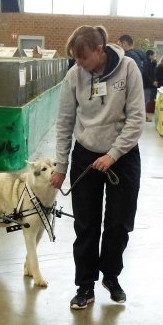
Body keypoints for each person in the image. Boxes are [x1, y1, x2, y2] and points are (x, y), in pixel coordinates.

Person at [51, 25, 144, 310]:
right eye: (75, 59)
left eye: (84, 58)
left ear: (100, 50)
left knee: (119, 223)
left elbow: (137, 118)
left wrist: (113, 154)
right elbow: (65, 121)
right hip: (85, 156)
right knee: (86, 224)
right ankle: (85, 285)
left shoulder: (128, 69)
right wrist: (60, 165)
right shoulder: (74, 75)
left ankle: (111, 276)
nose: (79, 64)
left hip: (123, 156)